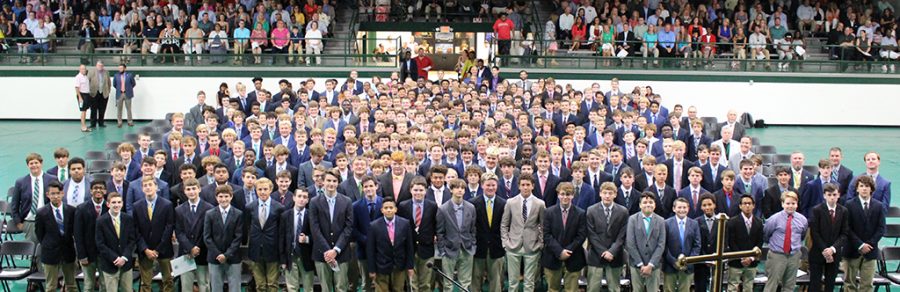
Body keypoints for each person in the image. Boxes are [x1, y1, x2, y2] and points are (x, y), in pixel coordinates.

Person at [309, 169, 354, 291]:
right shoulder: (314, 202)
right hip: (321, 253)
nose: (331, 184)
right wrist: (328, 251)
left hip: (341, 252)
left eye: (334, 181)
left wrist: (336, 250)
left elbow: (348, 227)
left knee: (341, 287)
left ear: (338, 183)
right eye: (328, 180)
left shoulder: (347, 201)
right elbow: (314, 228)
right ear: (322, 182)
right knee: (326, 288)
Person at [501, 175, 546, 292]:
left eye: (528, 185)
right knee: (512, 282)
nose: (525, 187)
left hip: (532, 246)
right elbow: (504, 224)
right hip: (513, 245)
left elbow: (543, 225)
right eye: (523, 185)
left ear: (533, 186)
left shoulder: (540, 203)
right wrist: (505, 242)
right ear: (519, 186)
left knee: (529, 282)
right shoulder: (510, 202)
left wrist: (540, 243)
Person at [843, 175, 886, 292]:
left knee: (867, 286)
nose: (864, 189)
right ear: (857, 189)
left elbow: (881, 228)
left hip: (870, 251)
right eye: (861, 186)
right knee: (849, 285)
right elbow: (847, 228)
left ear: (871, 189)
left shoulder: (879, 206)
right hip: (852, 250)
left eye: (867, 186)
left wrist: (868, 244)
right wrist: (860, 245)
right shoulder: (849, 205)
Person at [542, 182, 587, 292]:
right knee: (552, 289)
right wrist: (559, 251)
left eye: (568, 194)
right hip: (552, 256)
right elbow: (546, 235)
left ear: (572, 195)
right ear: (558, 194)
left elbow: (581, 236)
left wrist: (568, 250)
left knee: (571, 290)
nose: (565, 197)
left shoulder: (580, 213)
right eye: (562, 194)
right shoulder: (549, 212)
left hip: (573, 257)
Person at [133, 177, 176, 292]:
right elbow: (136, 230)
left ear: (156, 187)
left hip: (163, 249)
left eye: (150, 185)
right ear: (142, 189)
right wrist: (145, 249)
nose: (148, 187)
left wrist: (158, 249)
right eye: (145, 185)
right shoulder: (136, 206)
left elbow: (169, 227)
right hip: (145, 250)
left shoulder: (167, 205)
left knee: (168, 280)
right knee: (145, 283)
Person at [585, 182, 628, 292]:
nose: (607, 196)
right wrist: (603, 251)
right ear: (600, 194)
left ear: (615, 194)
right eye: (605, 193)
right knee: (593, 288)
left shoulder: (623, 211)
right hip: (596, 255)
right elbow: (591, 234)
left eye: (610, 193)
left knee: (614, 288)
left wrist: (612, 251)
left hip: (615, 255)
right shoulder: (591, 210)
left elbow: (622, 235)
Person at [366, 196, 415, 292]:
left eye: (391, 208)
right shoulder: (374, 226)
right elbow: (370, 249)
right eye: (386, 208)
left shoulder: (405, 223)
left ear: (395, 209)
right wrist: (372, 269)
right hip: (381, 266)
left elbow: (409, 247)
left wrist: (410, 266)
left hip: (399, 265)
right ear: (382, 210)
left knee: (399, 289)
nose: (388, 210)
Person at [397, 177, 438, 292]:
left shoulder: (432, 206)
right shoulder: (403, 206)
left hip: (427, 248)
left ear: (426, 190)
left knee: (425, 283)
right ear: (411, 190)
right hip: (409, 248)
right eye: (415, 190)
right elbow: (400, 227)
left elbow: (435, 224)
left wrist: (434, 236)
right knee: (412, 283)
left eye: (421, 190)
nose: (418, 193)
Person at [436, 178, 477, 292]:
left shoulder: (471, 207)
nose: (460, 190)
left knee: (465, 283)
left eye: (462, 188)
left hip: (466, 249)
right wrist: (442, 250)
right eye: (457, 188)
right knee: (448, 283)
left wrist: (472, 245)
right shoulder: (443, 209)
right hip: (449, 250)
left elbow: (473, 229)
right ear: (451, 190)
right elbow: (440, 232)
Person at [35, 180, 77, 292]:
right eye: (53, 194)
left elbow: (74, 231)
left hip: (68, 251)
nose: (56, 196)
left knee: (71, 285)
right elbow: (40, 234)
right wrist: (49, 244)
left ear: (62, 193)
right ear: (47, 195)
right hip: (50, 252)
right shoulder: (41, 213)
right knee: (51, 286)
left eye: (58, 193)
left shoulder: (71, 210)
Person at [763, 191, 807, 292]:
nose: (790, 206)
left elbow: (802, 235)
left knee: (789, 285)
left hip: (794, 255)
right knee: (772, 285)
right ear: (782, 204)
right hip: (777, 255)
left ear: (797, 204)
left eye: (793, 203)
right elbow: (766, 234)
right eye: (787, 203)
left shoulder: (802, 220)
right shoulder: (773, 219)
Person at [808, 183, 848, 292]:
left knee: (830, 284)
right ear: (824, 195)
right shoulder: (817, 210)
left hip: (835, 253)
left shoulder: (843, 211)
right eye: (829, 195)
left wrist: (833, 249)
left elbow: (844, 234)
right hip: (818, 253)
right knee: (815, 284)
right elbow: (814, 233)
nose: (832, 197)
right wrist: (825, 250)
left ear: (838, 195)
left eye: (834, 195)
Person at [174, 178, 213, 292]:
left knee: (204, 285)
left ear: (199, 189)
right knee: (185, 286)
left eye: (194, 189)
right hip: (185, 253)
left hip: (202, 251)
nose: (191, 192)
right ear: (184, 191)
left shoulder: (208, 208)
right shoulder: (179, 210)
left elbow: (207, 231)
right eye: (188, 189)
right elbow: (179, 232)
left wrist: (197, 247)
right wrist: (190, 248)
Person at [12, 153, 57, 250]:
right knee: (32, 252)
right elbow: (14, 204)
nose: (34, 165)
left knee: (48, 249)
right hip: (30, 222)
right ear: (27, 165)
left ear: (41, 163)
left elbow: (58, 200)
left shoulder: (52, 179)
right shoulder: (20, 182)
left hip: (48, 220)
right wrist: (18, 222)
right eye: (31, 163)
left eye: (36, 162)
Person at [246, 178, 284, 292]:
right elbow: (248, 226)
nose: (262, 192)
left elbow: (281, 230)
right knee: (260, 285)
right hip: (256, 249)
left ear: (271, 190)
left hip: (272, 249)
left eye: (265, 189)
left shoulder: (278, 208)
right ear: (255, 190)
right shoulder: (250, 207)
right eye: (260, 189)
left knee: (272, 284)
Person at [204, 184, 244, 292]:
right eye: (221, 196)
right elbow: (207, 237)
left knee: (235, 287)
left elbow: (238, 237)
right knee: (216, 288)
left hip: (233, 257)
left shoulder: (238, 214)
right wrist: (218, 254)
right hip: (215, 257)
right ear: (216, 198)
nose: (223, 199)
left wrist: (226, 255)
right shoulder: (209, 214)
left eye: (226, 196)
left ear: (231, 197)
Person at [471, 172, 506, 292]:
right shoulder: (473, 203)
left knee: (496, 281)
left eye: (493, 185)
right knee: (475, 279)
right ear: (482, 185)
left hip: (497, 247)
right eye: (488, 185)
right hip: (478, 247)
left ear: (497, 186)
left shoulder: (503, 204)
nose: (491, 188)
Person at [96, 193, 137, 292]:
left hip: (126, 263)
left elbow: (132, 241)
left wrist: (124, 257)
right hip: (109, 263)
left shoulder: (128, 219)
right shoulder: (101, 221)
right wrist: (115, 258)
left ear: (122, 204)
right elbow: (100, 244)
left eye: (119, 202)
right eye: (113, 202)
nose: (116, 205)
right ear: (108, 204)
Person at [626, 192, 666, 292]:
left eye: (651, 202)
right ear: (640, 205)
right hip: (636, 264)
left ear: (655, 205)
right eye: (645, 202)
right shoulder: (632, 219)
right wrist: (641, 264)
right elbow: (630, 244)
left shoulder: (661, 221)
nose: (648, 204)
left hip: (654, 266)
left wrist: (651, 264)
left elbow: (661, 244)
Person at [74, 180, 108, 292]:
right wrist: (82, 255)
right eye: (95, 188)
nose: (98, 190)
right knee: (88, 285)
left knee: (105, 284)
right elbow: (78, 234)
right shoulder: (81, 208)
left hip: (105, 254)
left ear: (105, 191)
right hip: (88, 254)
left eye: (101, 188)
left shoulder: (111, 207)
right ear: (90, 191)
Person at [725, 194, 764, 292]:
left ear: (754, 206)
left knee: (749, 288)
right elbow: (731, 242)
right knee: (732, 287)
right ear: (740, 206)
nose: (747, 206)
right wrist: (742, 257)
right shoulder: (732, 222)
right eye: (745, 203)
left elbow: (759, 242)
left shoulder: (759, 222)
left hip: (752, 262)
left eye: (749, 203)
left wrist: (750, 258)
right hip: (736, 261)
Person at [280, 188, 316, 292]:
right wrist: (283, 259)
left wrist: (307, 239)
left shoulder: (312, 215)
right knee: (292, 288)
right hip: (290, 256)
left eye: (304, 197)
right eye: (299, 196)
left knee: (308, 288)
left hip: (307, 257)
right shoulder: (285, 216)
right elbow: (282, 239)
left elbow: (317, 236)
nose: (301, 199)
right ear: (294, 198)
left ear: (308, 200)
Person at [662, 198, 701, 292]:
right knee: (668, 290)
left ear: (688, 209)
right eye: (679, 207)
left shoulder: (694, 224)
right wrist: (673, 262)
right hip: (670, 266)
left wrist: (688, 261)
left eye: (684, 207)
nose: (682, 210)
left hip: (688, 266)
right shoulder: (666, 223)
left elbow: (697, 245)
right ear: (674, 209)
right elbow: (664, 245)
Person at [88, 61, 111, 128]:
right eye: (99, 65)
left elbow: (109, 83)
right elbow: (87, 81)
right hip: (94, 93)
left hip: (104, 93)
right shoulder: (91, 72)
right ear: (96, 65)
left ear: (103, 66)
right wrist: (89, 91)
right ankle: (93, 124)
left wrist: (108, 91)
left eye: (101, 65)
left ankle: (101, 123)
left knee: (102, 109)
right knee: (93, 109)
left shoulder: (106, 72)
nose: (100, 66)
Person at [75, 64, 93, 132]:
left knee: (85, 111)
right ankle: (83, 126)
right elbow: (77, 88)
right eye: (82, 69)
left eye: (85, 69)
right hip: (82, 95)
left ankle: (84, 125)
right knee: (83, 111)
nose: (84, 70)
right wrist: (80, 97)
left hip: (86, 94)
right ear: (80, 70)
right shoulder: (78, 77)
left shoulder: (85, 76)